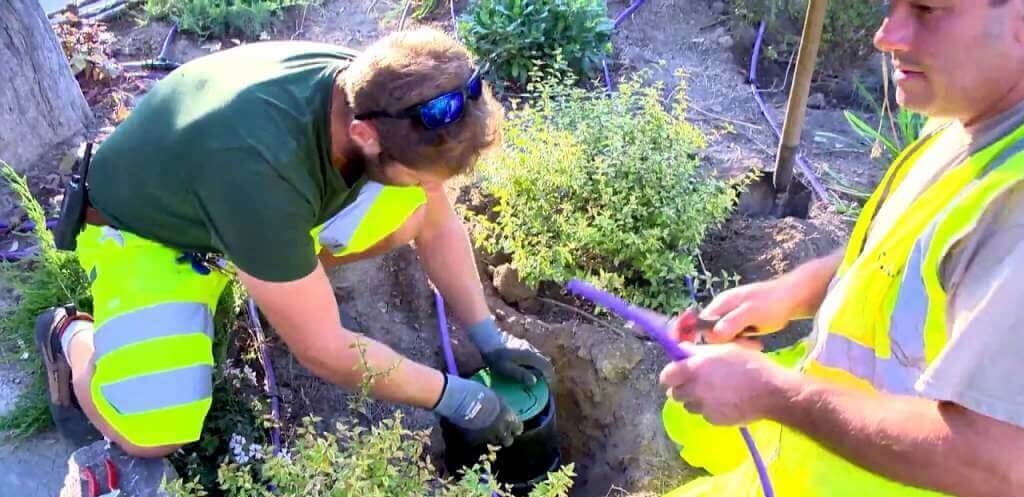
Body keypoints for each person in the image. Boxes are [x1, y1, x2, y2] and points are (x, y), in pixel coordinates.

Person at [36, 27, 553, 457]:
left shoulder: (380, 91)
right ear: (366, 137)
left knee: (418, 207)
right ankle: (69, 337)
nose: (431, 188)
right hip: (148, 233)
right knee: (154, 433)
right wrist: (456, 399)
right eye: (420, 174)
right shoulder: (261, 179)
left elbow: (437, 221)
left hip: (238, 199)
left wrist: (489, 338)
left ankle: (279, 274)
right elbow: (325, 352)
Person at [659, 1, 1024, 496]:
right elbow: (901, 258)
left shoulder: (1013, 207)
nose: (886, 36)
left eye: (928, 9)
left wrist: (775, 395)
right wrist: (792, 294)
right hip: (812, 466)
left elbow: (995, 464)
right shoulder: (971, 114)